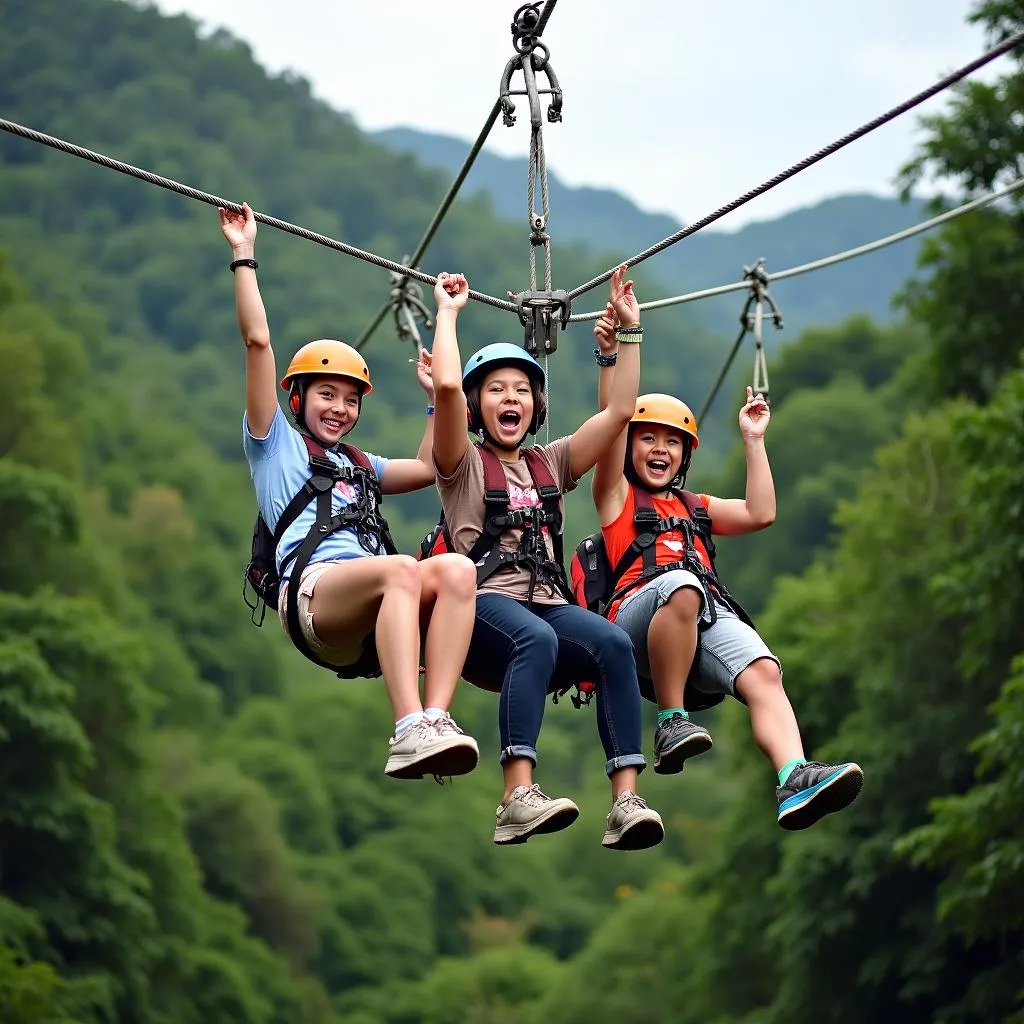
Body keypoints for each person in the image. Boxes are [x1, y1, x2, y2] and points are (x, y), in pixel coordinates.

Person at [220, 201, 480, 782]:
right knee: (400, 569)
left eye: (350, 399)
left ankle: (434, 718)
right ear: (298, 399)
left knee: (458, 573)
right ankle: (408, 726)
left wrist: (440, 396)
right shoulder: (275, 447)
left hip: (369, 607)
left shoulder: (358, 463)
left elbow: (427, 466)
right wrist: (244, 255)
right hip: (313, 600)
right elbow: (258, 345)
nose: (339, 408)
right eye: (326, 395)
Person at [588, 305, 863, 831]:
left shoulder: (695, 508)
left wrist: (754, 441)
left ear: (684, 455)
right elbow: (613, 420)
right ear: (629, 448)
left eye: (672, 442)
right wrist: (621, 343)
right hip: (635, 622)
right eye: (649, 438)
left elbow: (761, 513)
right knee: (684, 586)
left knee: (765, 671)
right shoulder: (615, 497)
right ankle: (671, 721)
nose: (660, 448)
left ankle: (794, 776)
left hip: (694, 617)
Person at [429, 263, 665, 850]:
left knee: (611, 643)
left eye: (521, 391)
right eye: (496, 390)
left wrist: (626, 340)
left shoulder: (550, 462)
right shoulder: (461, 464)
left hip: (546, 606)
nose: (510, 399)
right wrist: (448, 315)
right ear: (478, 407)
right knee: (536, 639)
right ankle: (516, 795)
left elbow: (616, 416)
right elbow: (448, 390)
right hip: (485, 608)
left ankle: (626, 799)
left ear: (535, 405)